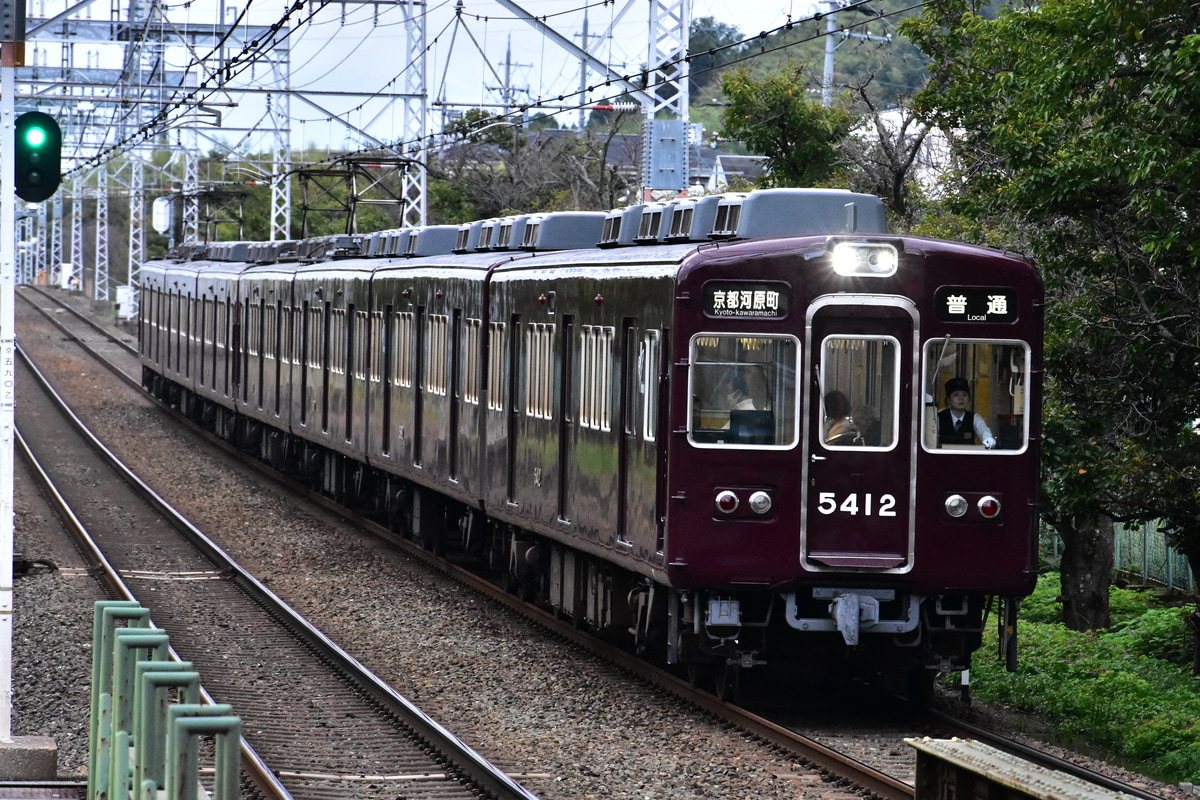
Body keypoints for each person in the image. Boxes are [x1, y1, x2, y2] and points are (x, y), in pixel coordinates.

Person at [937, 377, 996, 448]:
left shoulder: (974, 418)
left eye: (964, 395)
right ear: (949, 400)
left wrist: (988, 440)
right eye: (956, 395)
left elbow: (983, 430)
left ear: (969, 399)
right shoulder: (939, 418)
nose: (961, 398)